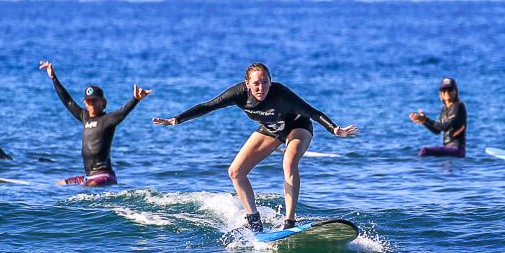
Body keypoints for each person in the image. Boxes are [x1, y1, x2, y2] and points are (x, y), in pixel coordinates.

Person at [152, 63, 358, 232]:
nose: (262, 88)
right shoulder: (238, 94)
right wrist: (176, 120)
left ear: (271, 81)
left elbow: (312, 112)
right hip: (271, 129)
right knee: (235, 171)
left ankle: (290, 221)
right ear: (247, 84)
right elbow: (208, 106)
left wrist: (334, 130)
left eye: (266, 82)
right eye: (257, 84)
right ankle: (254, 220)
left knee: (289, 162)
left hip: (298, 126)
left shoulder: (281, 94)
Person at [39, 60, 151, 186]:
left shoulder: (108, 120)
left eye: (94, 100)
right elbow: (68, 101)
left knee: (88, 187)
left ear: (103, 102)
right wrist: (53, 78)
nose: (90, 104)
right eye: (88, 101)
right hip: (88, 177)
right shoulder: (84, 117)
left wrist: (135, 100)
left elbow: (122, 112)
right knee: (58, 185)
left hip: (104, 176)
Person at [409, 77, 467, 157]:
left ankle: (416, 168)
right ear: (441, 93)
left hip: (457, 149)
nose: (447, 92)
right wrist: (424, 122)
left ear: (455, 91)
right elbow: (437, 131)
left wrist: (426, 119)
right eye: (444, 90)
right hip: (448, 149)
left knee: (425, 150)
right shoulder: (444, 109)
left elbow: (444, 127)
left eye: (450, 89)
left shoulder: (459, 106)